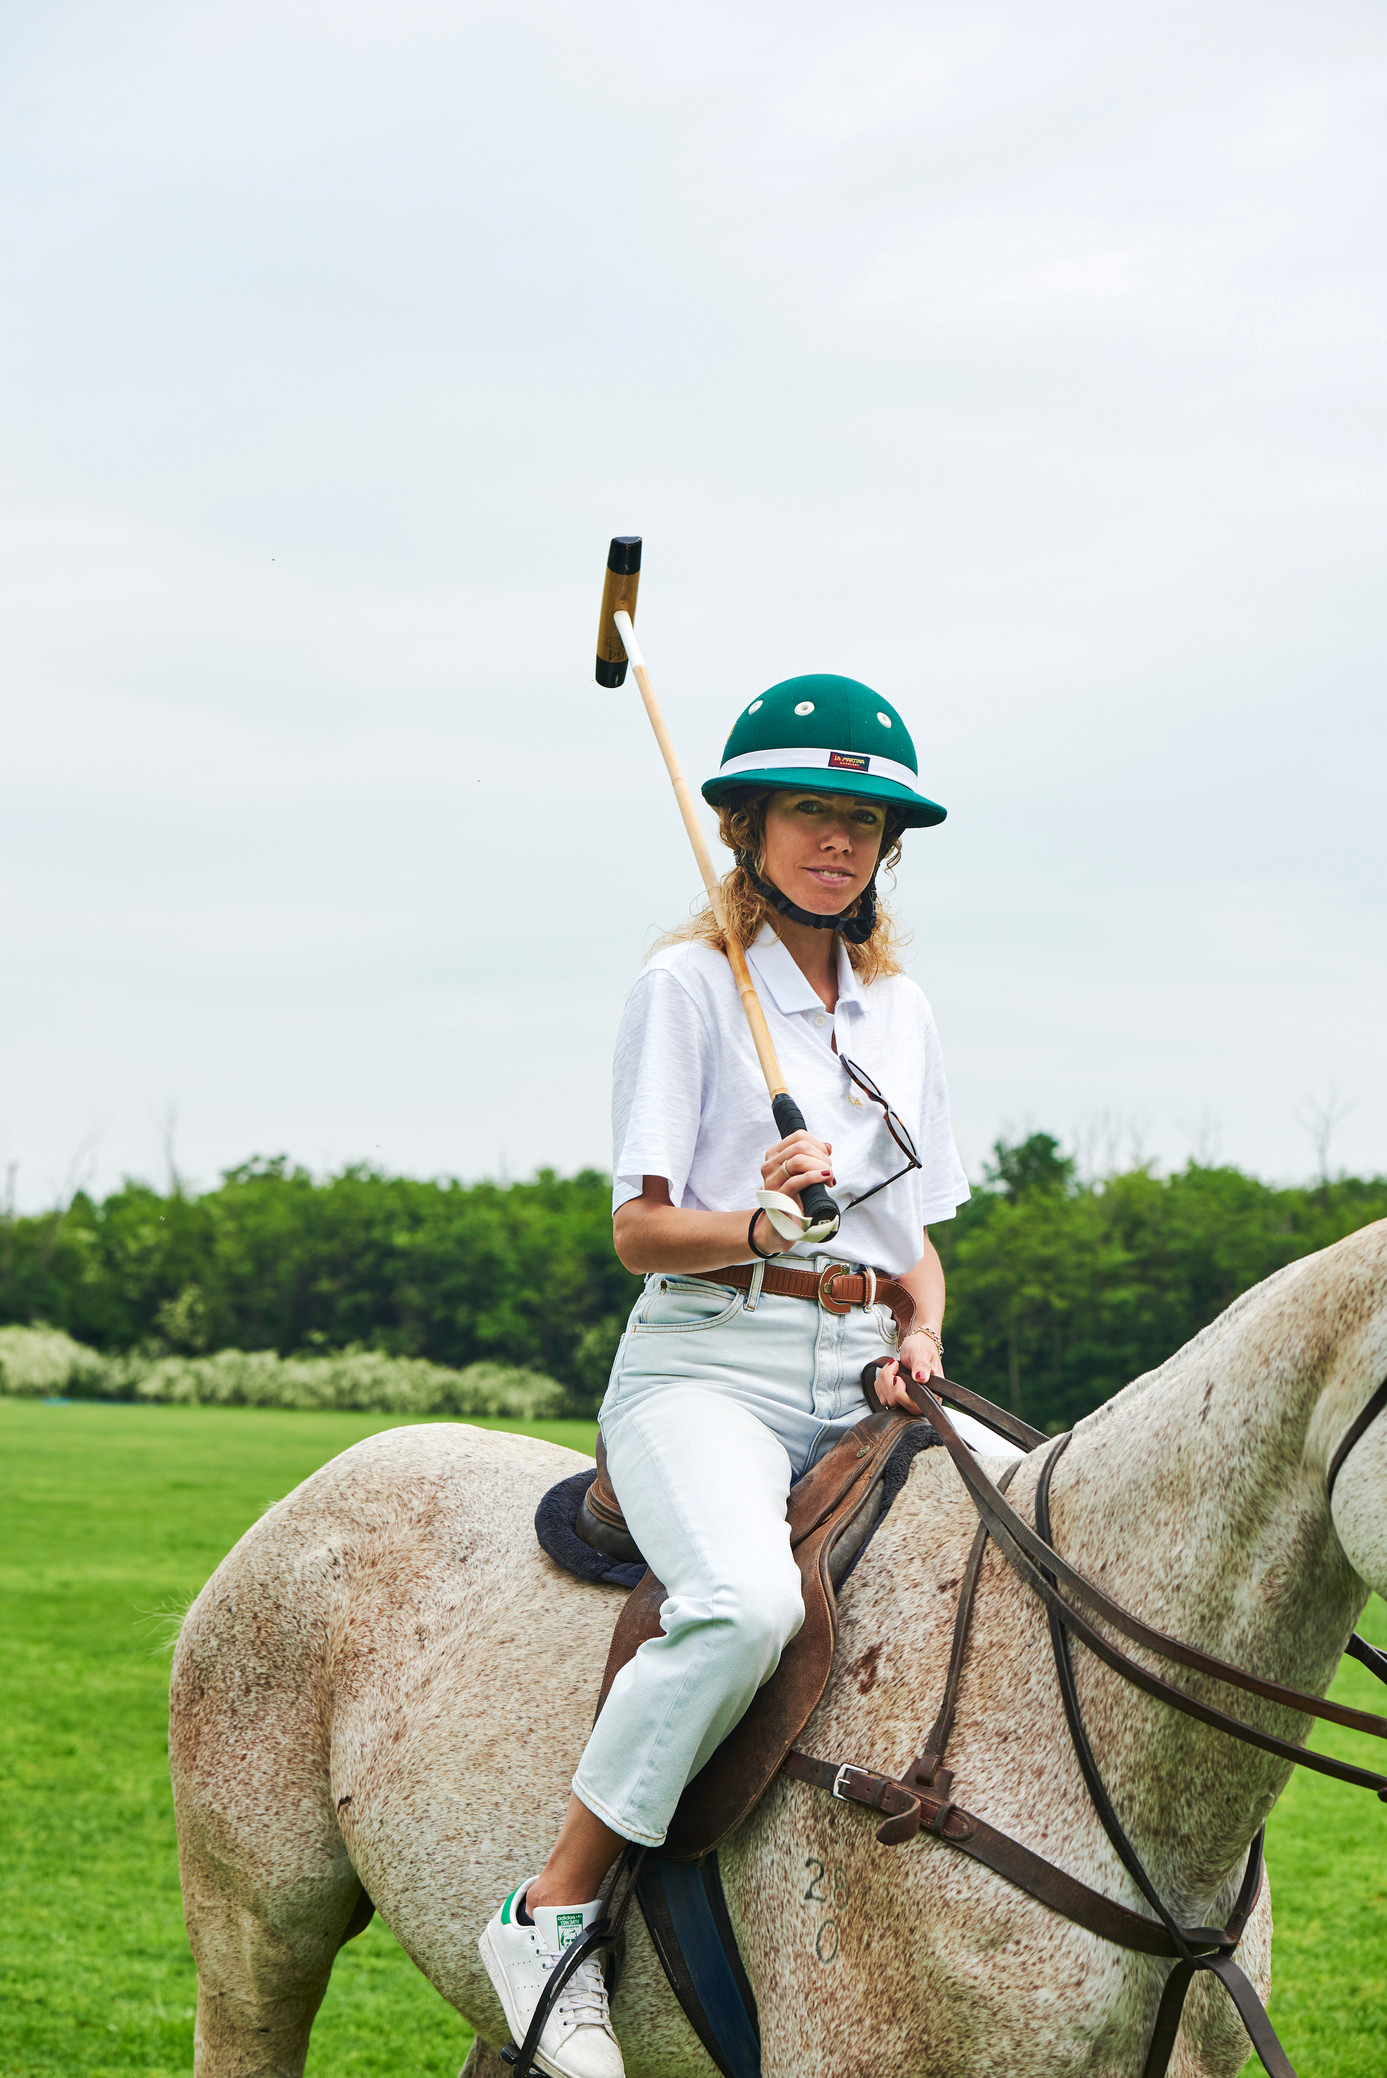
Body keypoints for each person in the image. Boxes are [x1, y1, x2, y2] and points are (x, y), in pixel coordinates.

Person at [479, 674, 1017, 2078]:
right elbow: (640, 1230)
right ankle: (552, 1913)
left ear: (886, 848)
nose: (836, 841)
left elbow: (920, 1245)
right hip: (706, 1366)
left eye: (861, 822)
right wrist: (762, 1223)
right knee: (737, 1602)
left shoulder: (901, 1009)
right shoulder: (688, 986)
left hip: (862, 1372)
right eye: (809, 814)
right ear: (747, 824)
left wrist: (922, 1333)